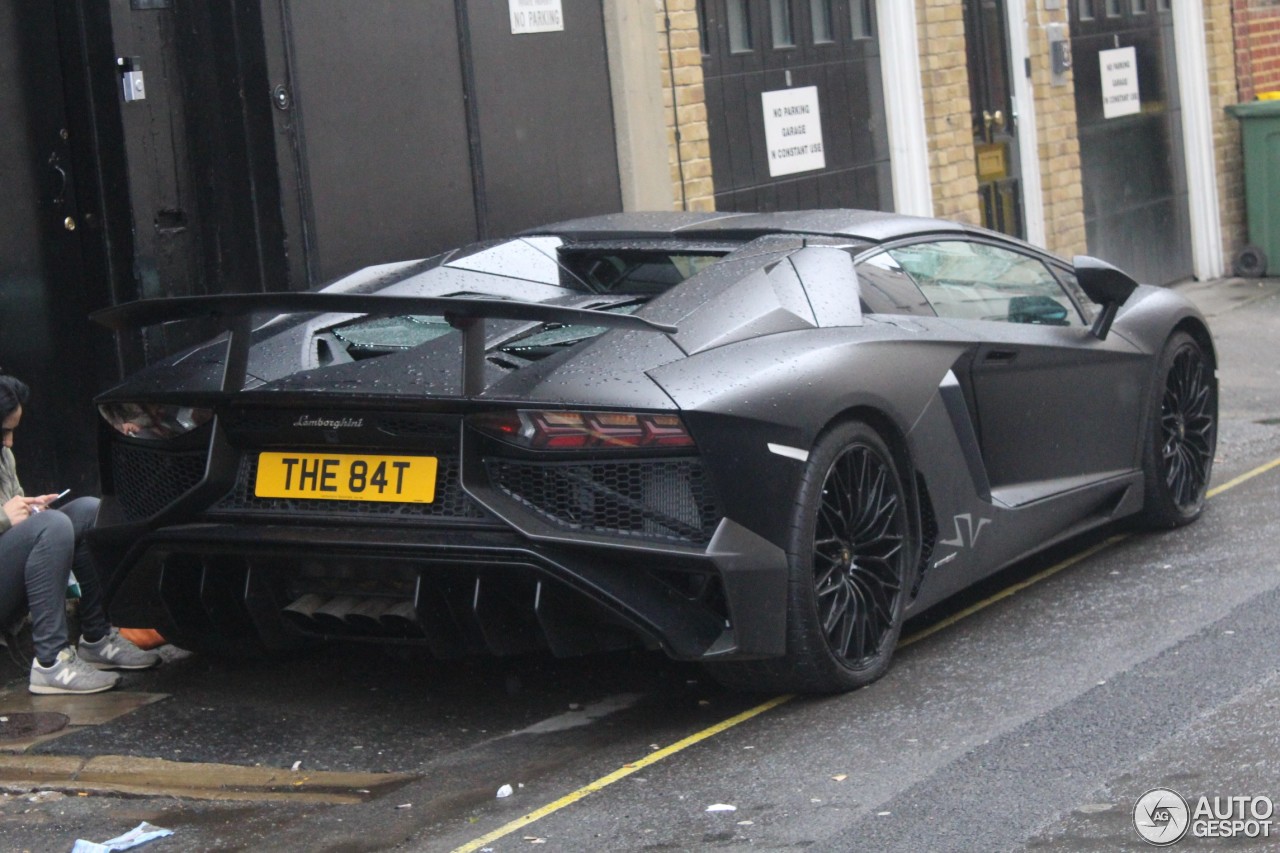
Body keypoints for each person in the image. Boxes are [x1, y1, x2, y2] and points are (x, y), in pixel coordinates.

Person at [0, 374, 159, 694]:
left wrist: (31, 510)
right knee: (54, 525)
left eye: (13, 431)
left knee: (87, 512)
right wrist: (4, 518)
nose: (10, 442)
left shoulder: (3, 455)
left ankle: (96, 639)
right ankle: (51, 662)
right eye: (3, 432)